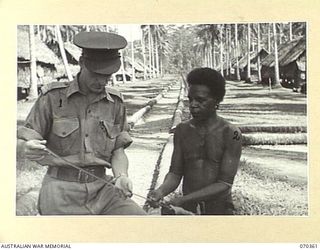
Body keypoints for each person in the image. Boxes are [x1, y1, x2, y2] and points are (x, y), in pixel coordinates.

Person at [17, 31, 146, 215]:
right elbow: (23, 141)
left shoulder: (115, 103)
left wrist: (121, 176)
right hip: (61, 192)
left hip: (103, 190)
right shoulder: (52, 98)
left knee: (142, 224)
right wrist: (24, 147)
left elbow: (118, 150)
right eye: (95, 74)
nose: (101, 81)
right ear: (81, 63)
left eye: (107, 75)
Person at [148, 68, 242, 215]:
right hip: (188, 209)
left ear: (217, 100)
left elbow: (224, 184)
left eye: (200, 100)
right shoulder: (182, 131)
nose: (193, 105)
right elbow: (175, 173)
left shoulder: (231, 133)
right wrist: (160, 191)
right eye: (190, 99)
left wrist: (184, 200)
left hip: (219, 210)